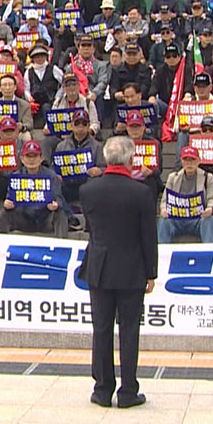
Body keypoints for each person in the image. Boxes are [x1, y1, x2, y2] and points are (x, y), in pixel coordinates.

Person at [78, 135, 157, 409]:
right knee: (129, 330)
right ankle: (128, 391)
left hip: (99, 266)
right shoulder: (141, 192)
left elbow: (92, 228)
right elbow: (148, 236)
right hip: (132, 268)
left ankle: (102, 389)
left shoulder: (88, 190)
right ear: (130, 159)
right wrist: (151, 272)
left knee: (101, 329)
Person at [0, 140, 68, 236]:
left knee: (60, 214)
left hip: (45, 218)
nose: (31, 160)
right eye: (28, 156)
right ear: (22, 159)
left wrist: (56, 205)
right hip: (23, 218)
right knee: (5, 212)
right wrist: (7, 203)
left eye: (35, 156)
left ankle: (62, 243)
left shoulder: (51, 176)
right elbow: (10, 198)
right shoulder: (16, 176)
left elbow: (59, 198)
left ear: (41, 158)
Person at [157, 146, 213, 244]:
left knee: (209, 220)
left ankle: (208, 250)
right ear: (182, 161)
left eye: (192, 160)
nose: (189, 164)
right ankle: (162, 250)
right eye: (186, 160)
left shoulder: (207, 177)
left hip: (197, 219)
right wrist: (164, 209)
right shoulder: (173, 177)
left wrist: (210, 209)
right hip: (177, 219)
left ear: (198, 161)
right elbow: (165, 200)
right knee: (163, 221)